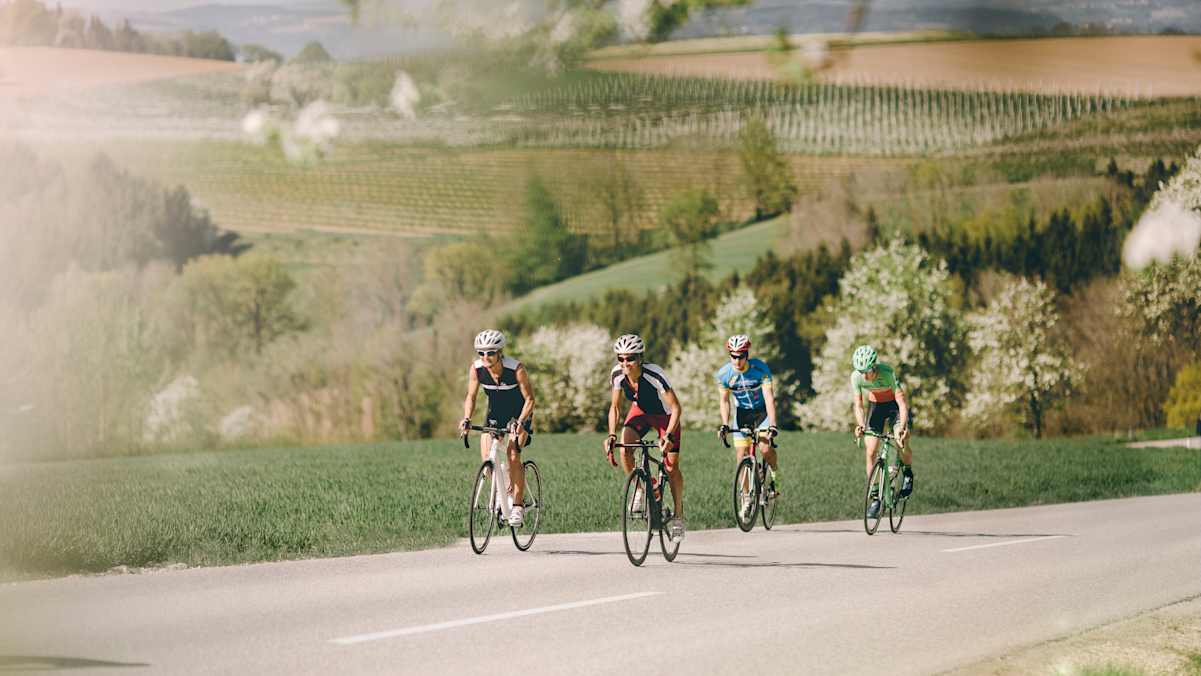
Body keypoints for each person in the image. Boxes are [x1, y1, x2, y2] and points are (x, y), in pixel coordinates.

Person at [603, 334, 686, 541]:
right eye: (620, 358)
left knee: (671, 468)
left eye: (630, 358)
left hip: (665, 417)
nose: (625, 363)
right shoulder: (617, 374)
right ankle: (642, 489)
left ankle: (678, 516)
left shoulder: (654, 374)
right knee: (625, 449)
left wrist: (668, 436)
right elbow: (614, 407)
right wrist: (611, 434)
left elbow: (676, 408)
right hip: (640, 412)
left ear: (640, 358)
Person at [460, 329, 535, 527]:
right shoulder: (477, 369)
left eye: (491, 352)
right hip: (495, 413)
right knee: (488, 459)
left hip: (519, 413)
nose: (485, 357)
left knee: (513, 454)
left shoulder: (516, 369)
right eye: (481, 353)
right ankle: (503, 498)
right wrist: (467, 418)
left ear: (500, 352)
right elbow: (471, 397)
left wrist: (520, 422)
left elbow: (530, 399)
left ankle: (517, 506)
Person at [714, 334, 780, 520]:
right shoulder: (724, 374)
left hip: (762, 413)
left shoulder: (760, 369)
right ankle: (746, 497)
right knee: (741, 456)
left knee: (765, 448)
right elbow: (724, 401)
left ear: (747, 355)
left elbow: (769, 397)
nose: (737, 360)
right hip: (742, 414)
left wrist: (772, 424)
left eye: (741, 356)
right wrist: (725, 424)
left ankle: (774, 473)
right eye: (733, 356)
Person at [850, 345, 913, 519]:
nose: (864, 376)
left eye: (867, 371)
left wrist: (902, 427)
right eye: (860, 371)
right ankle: (876, 497)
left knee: (901, 441)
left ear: (874, 367)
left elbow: (902, 404)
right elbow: (858, 405)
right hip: (876, 407)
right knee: (871, 451)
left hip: (895, 407)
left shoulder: (887, 373)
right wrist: (861, 425)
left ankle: (907, 472)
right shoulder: (856, 377)